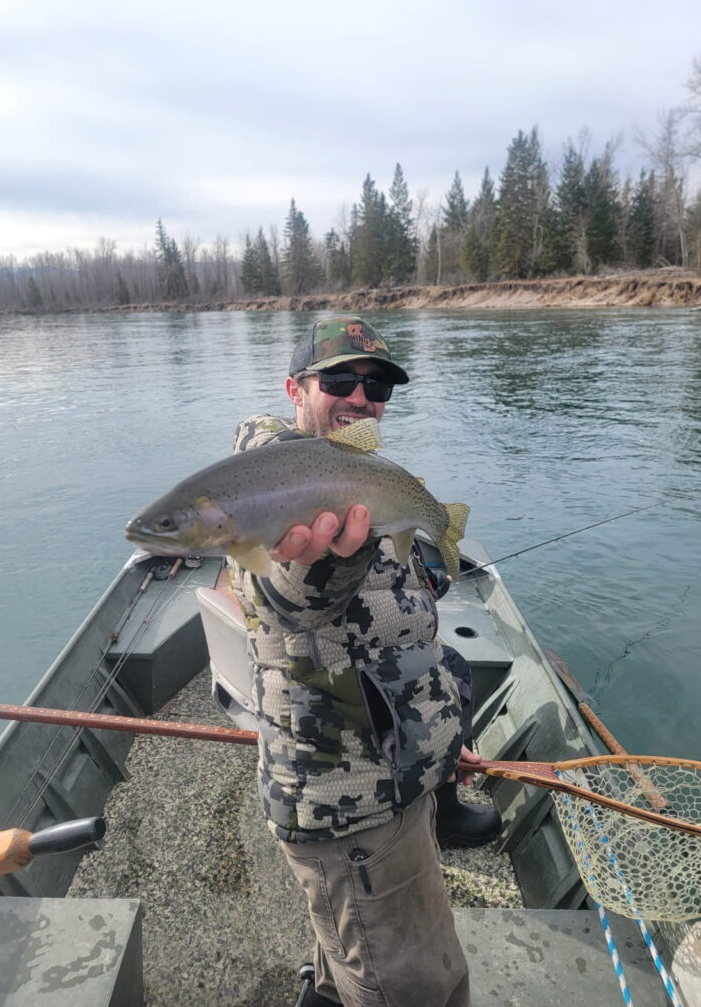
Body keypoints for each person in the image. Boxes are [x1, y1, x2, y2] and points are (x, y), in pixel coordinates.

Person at [229, 315, 500, 1007]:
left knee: (349, 957)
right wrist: (339, 559)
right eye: (340, 379)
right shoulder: (269, 489)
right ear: (294, 389)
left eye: (376, 385)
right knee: (422, 986)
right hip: (355, 804)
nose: (361, 397)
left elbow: (399, 635)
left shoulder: (366, 477)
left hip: (396, 765)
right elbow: (290, 590)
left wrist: (443, 739)